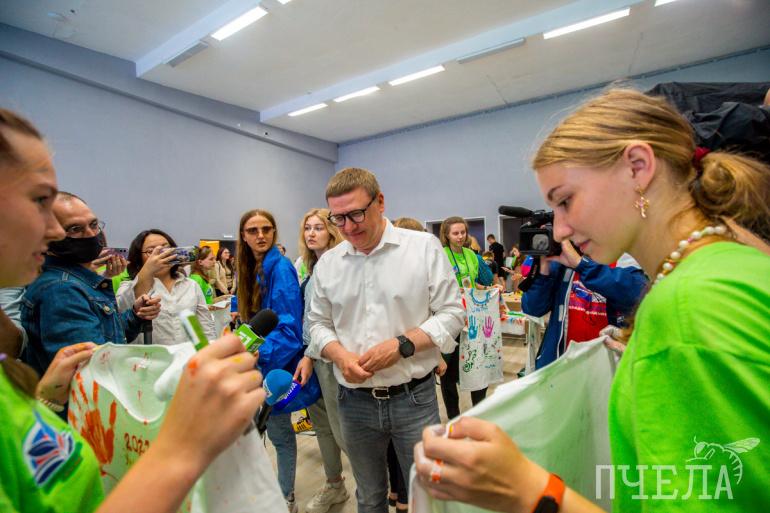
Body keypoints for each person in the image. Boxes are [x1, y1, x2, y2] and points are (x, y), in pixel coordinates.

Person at [415, 89, 770, 512]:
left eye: (566, 201)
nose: (559, 230)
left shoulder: (687, 305)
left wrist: (527, 490)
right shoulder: (731, 265)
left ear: (638, 168)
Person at [0, 108, 265, 513]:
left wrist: (45, 401)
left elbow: (186, 328)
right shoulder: (69, 288)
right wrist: (183, 447)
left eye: (93, 225)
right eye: (38, 200)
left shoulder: (182, 285)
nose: (53, 231)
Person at [306, 167, 465, 513]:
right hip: (354, 401)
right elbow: (316, 324)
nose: (348, 227)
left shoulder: (422, 248)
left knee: (427, 495)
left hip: (414, 398)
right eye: (338, 219)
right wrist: (339, 355)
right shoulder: (329, 264)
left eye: (356, 214)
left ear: (379, 202)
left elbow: (452, 313)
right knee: (369, 496)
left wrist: (402, 345)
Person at [22, 193, 161, 376]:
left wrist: (135, 315)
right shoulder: (62, 289)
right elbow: (92, 369)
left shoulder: (78, 281)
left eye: (94, 225)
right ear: (47, 236)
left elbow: (106, 335)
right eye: (75, 229)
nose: (91, 234)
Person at [236, 209, 308, 513]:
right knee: (258, 435)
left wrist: (259, 353)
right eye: (253, 230)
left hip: (273, 364)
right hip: (254, 364)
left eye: (266, 229)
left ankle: (285, 497)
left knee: (279, 434)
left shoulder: (280, 268)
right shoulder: (249, 266)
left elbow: (290, 328)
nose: (261, 235)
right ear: (243, 236)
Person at [292, 208, 350, 513]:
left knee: (343, 431)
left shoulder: (341, 265)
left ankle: (376, 487)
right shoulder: (309, 267)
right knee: (322, 426)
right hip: (311, 357)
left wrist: (311, 355)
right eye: (307, 228)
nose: (311, 233)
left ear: (331, 231)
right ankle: (334, 484)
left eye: (318, 227)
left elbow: (332, 321)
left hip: (329, 358)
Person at [522, 239, 647, 370]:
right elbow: (532, 309)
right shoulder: (562, 261)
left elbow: (638, 296)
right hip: (562, 366)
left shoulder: (625, 257)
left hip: (608, 368)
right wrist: (543, 269)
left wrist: (581, 264)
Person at [438, 216, 495, 420]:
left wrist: (488, 288)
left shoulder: (472, 254)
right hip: (450, 320)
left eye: (463, 232)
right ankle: (453, 417)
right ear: (446, 235)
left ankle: (479, 413)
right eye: (455, 233)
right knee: (449, 372)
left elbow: (474, 282)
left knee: (477, 366)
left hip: (473, 318)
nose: (460, 236)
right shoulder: (441, 255)